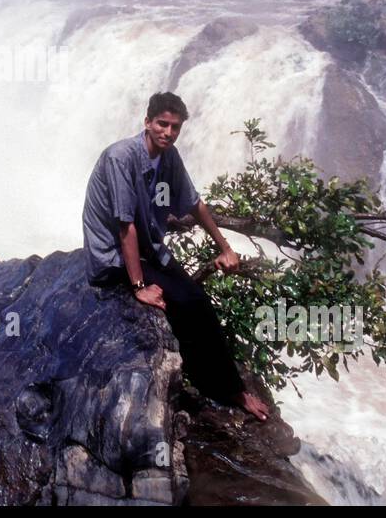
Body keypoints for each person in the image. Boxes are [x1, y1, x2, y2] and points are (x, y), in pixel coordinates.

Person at [82, 91, 271, 420]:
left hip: (147, 246)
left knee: (197, 300)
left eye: (175, 127)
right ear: (147, 122)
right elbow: (125, 227)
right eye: (162, 124)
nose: (168, 132)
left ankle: (233, 390)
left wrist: (224, 247)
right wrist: (139, 285)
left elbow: (194, 204)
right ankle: (220, 389)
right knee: (182, 304)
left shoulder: (169, 157)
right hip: (113, 254)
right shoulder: (120, 158)